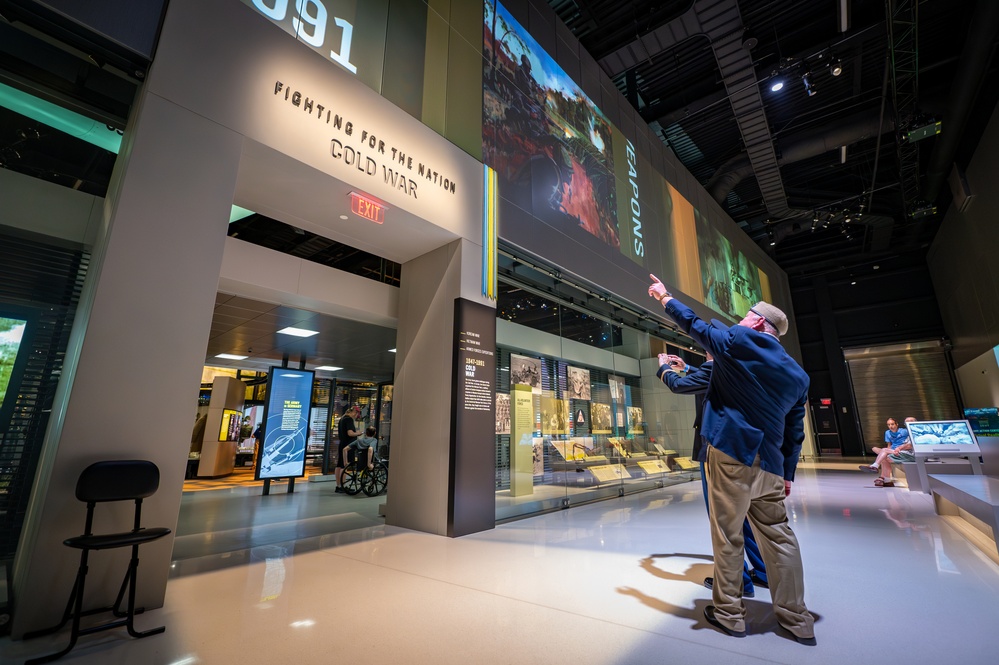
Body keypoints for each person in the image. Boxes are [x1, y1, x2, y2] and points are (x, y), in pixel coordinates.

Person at [648, 274, 815, 646]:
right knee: (781, 538)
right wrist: (787, 474)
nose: (738, 321)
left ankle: (729, 614)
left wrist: (665, 298)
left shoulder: (740, 341)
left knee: (727, 535)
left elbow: (695, 326)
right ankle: (796, 618)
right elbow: (794, 432)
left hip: (730, 455)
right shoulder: (798, 375)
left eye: (744, 316)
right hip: (771, 465)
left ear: (757, 322)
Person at [657, 352, 769, 598]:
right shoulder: (739, 368)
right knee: (745, 515)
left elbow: (678, 386)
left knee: (723, 518)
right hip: (742, 452)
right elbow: (707, 378)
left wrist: (664, 368)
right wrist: (687, 367)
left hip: (715, 452)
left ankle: (736, 581)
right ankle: (762, 571)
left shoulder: (717, 368)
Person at [860, 417, 915, 486]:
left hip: (906, 453)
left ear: (896, 424)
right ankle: (885, 478)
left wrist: (899, 448)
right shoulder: (889, 433)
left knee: (884, 454)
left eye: (892, 424)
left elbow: (909, 446)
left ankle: (879, 472)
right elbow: (889, 445)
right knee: (877, 450)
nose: (890, 426)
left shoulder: (908, 432)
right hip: (897, 451)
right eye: (888, 425)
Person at [335, 405, 362, 493]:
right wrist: (358, 433)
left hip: (342, 444)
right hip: (348, 445)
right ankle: (343, 485)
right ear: (354, 412)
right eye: (356, 413)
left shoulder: (342, 419)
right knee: (345, 465)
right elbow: (350, 433)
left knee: (339, 465)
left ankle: (338, 485)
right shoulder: (349, 419)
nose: (356, 415)